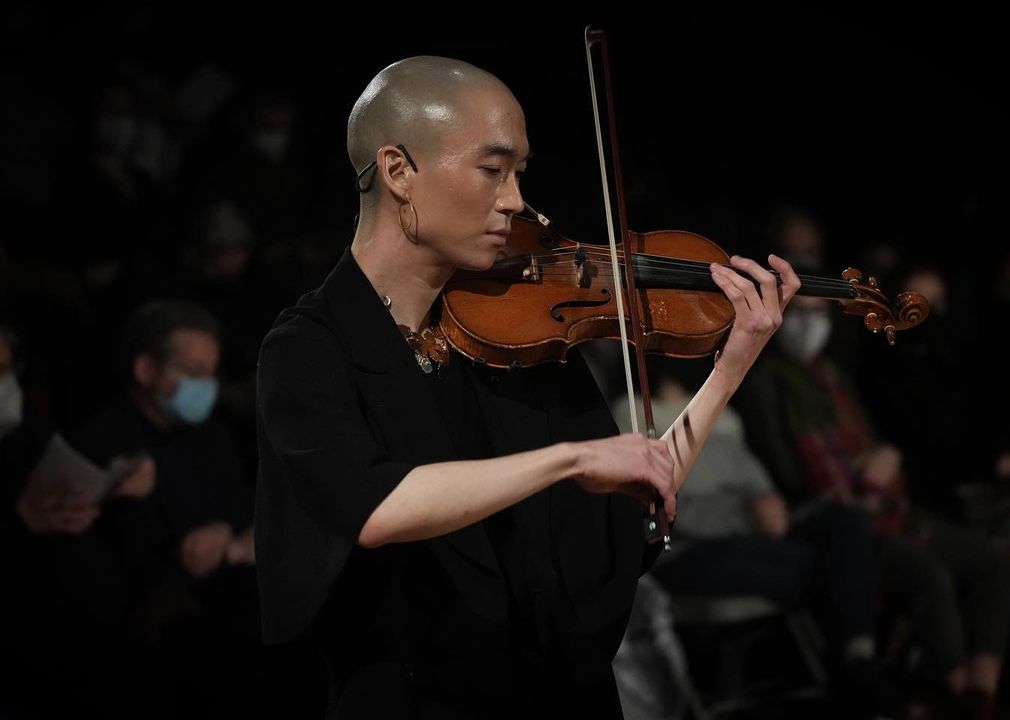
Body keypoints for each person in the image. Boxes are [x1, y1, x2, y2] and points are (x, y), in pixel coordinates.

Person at [254, 55, 799, 719]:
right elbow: (374, 508)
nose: (514, 200)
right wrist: (569, 460)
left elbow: (626, 510)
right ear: (399, 171)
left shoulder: (517, 335)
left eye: (519, 174)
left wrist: (731, 365)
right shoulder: (309, 347)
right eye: (492, 169)